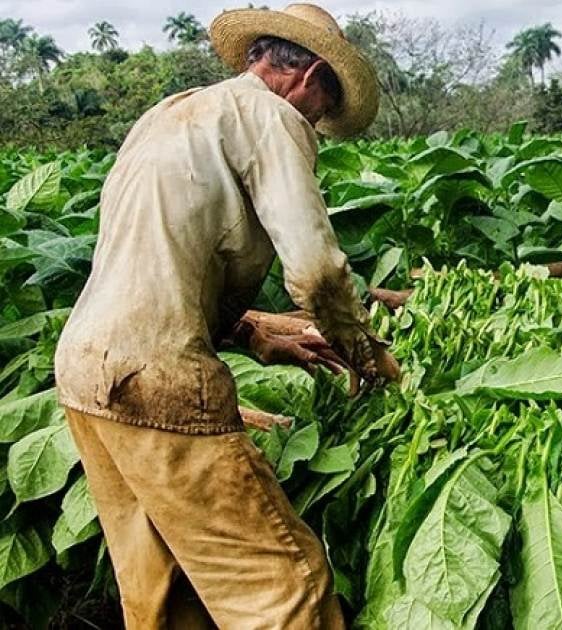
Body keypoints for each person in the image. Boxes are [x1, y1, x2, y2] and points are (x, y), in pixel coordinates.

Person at [52, 4, 398, 628]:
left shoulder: (170, 114)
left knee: (162, 592)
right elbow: (317, 271)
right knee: (287, 588)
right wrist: (364, 350)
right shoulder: (272, 116)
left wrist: (255, 333)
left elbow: (154, 260)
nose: (319, 120)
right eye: (326, 103)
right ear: (310, 74)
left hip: (84, 375)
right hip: (158, 381)